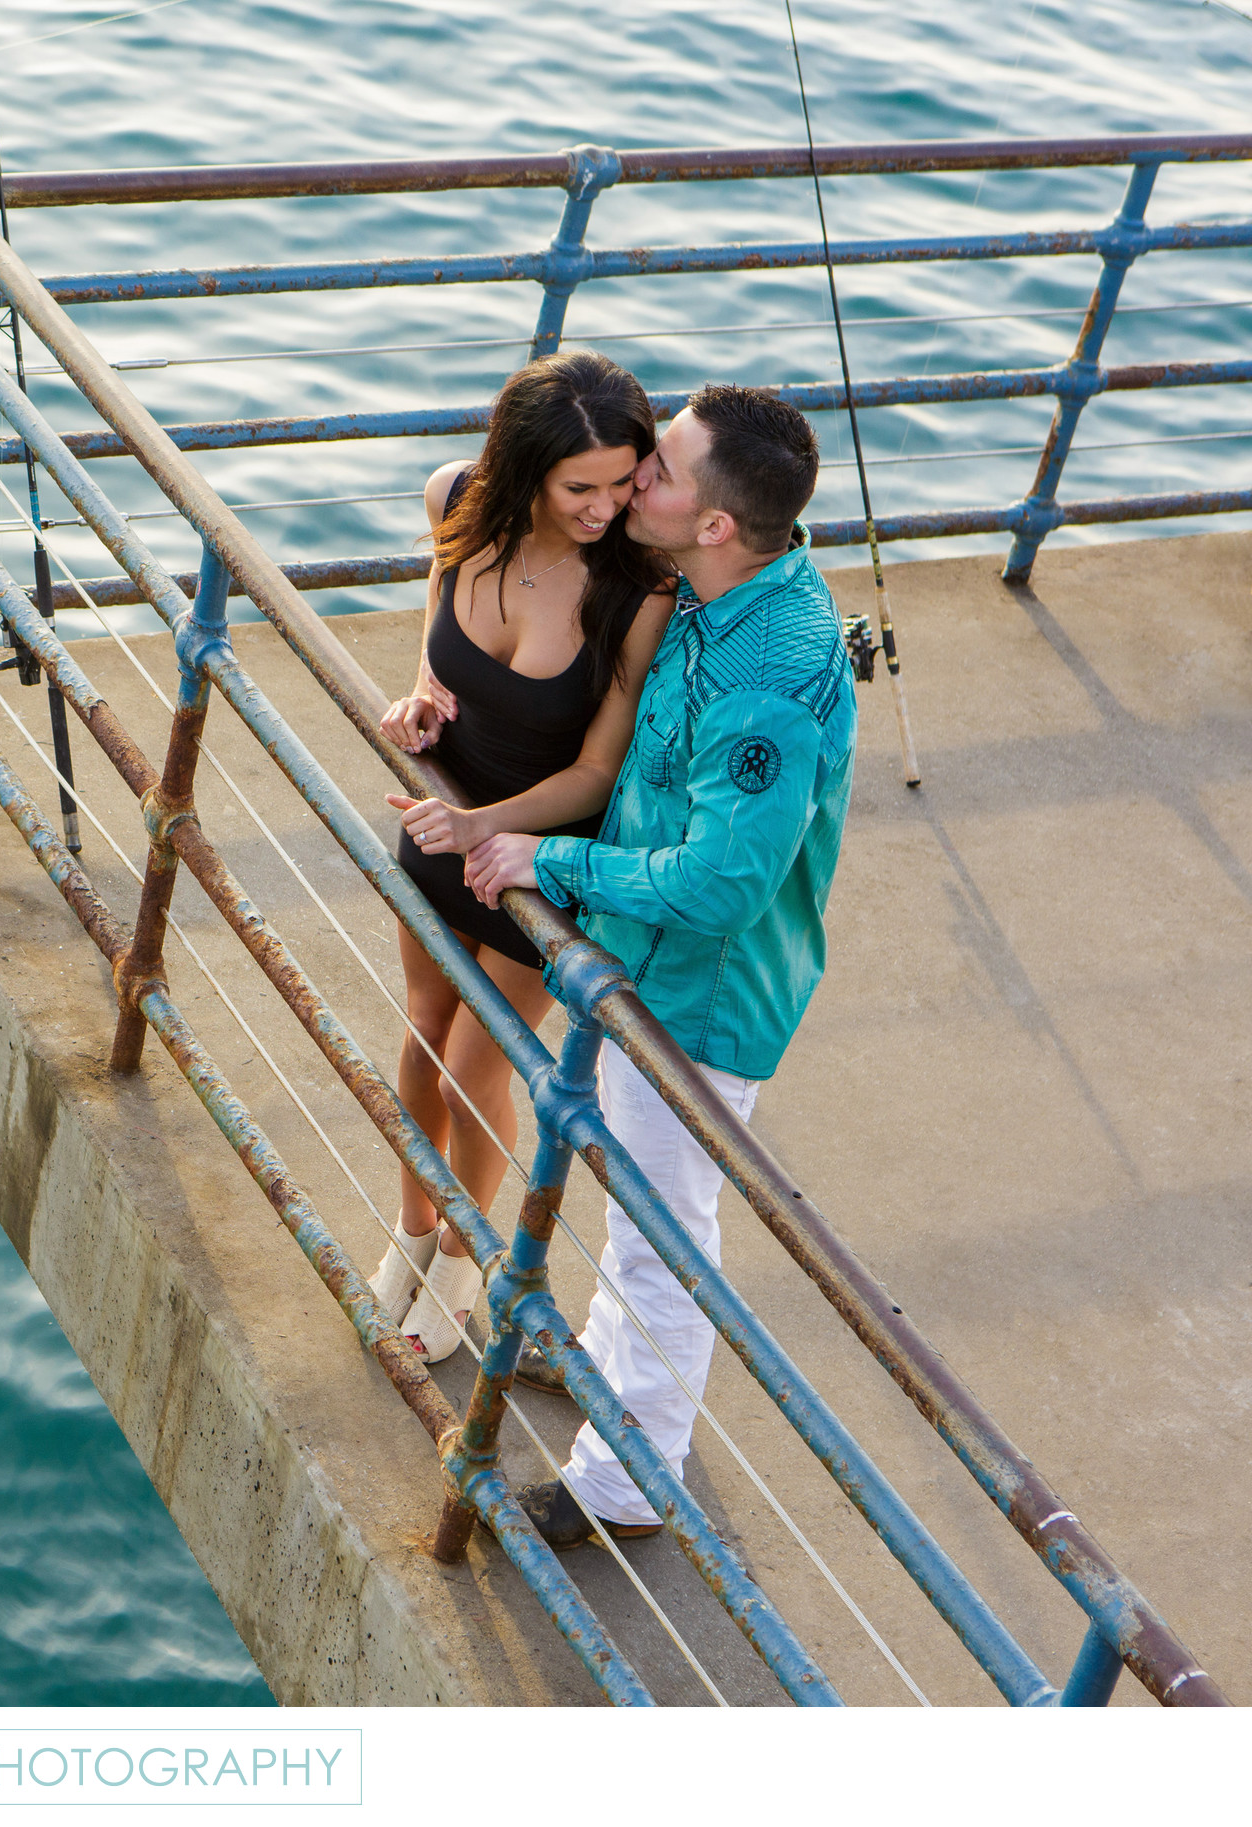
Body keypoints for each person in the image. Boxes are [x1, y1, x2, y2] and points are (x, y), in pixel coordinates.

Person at [457, 383, 856, 1548]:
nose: (638, 480)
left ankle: (626, 1488)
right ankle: (598, 1375)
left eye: (661, 470)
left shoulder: (765, 679)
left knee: (661, 1234)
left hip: (699, 992)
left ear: (716, 523)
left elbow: (724, 885)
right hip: (633, 951)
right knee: (628, 1193)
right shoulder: (712, 581)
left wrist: (557, 861)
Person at [362, 351, 676, 1361]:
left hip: (538, 861)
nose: (603, 507)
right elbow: (435, 635)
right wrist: (416, 701)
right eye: (578, 487)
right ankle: (410, 1232)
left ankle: (461, 1263)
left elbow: (595, 772)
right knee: (418, 1038)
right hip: (436, 822)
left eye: (624, 483)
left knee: (472, 1069)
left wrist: (486, 825)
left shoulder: (637, 589)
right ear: (524, 468)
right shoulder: (455, 500)